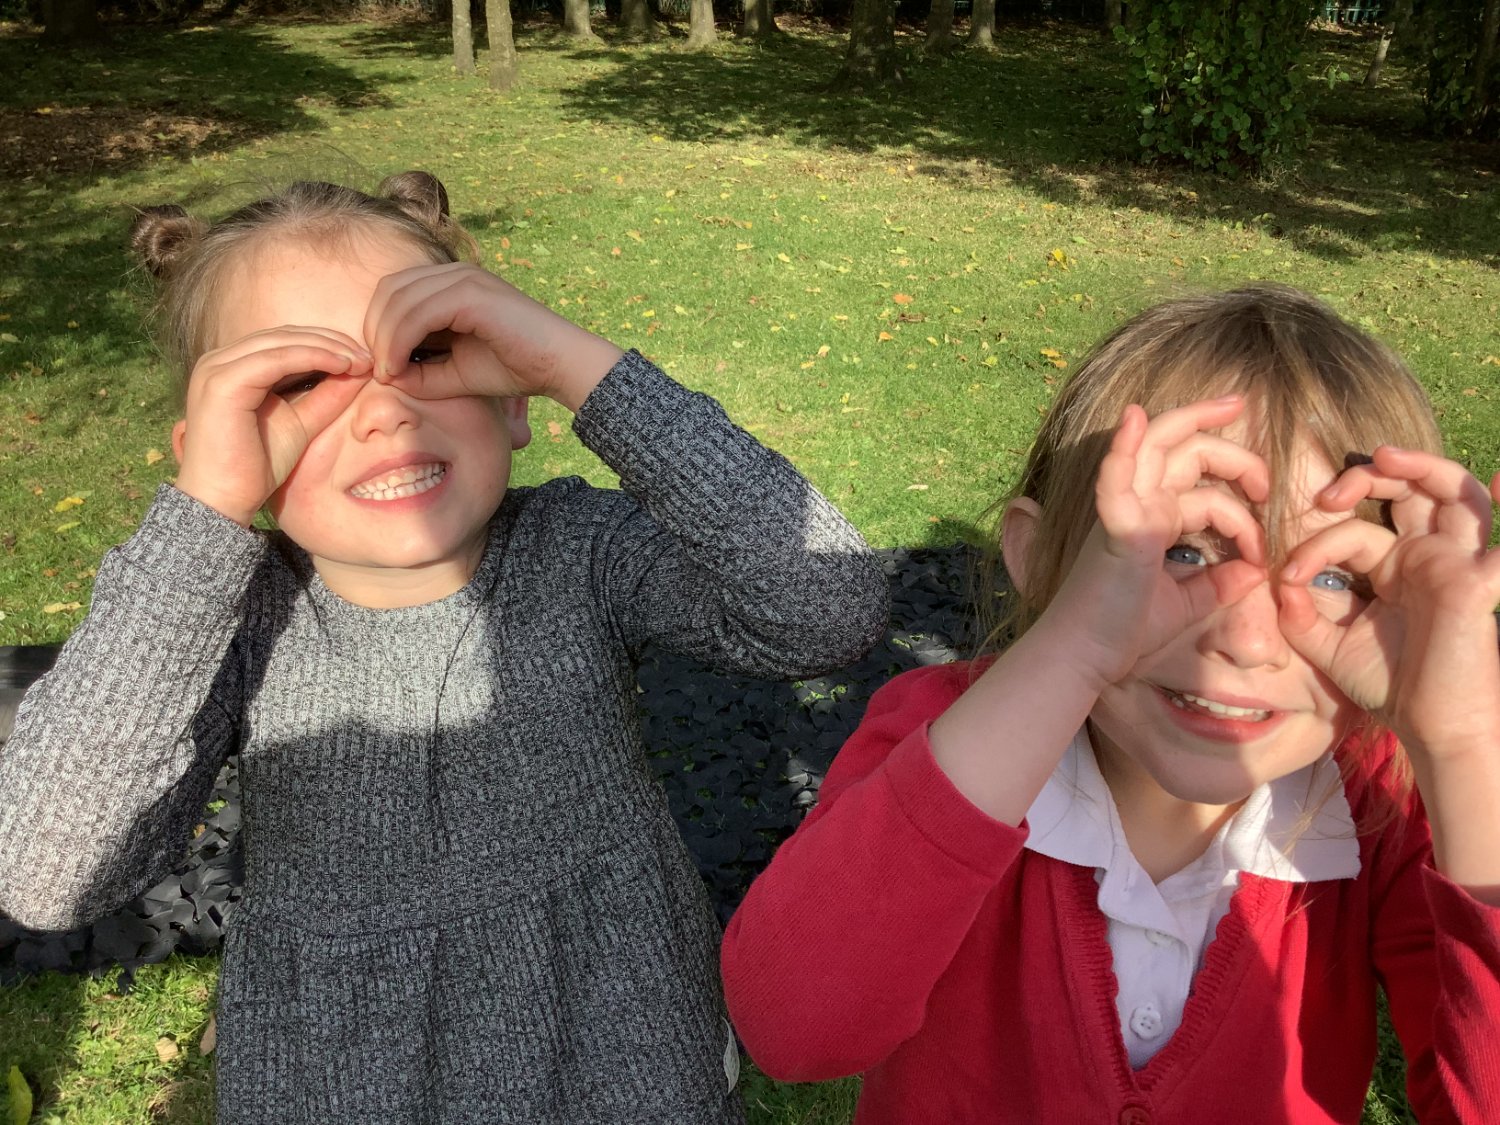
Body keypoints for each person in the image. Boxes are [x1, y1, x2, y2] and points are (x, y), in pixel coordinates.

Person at [0, 171, 888, 1125]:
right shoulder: (231, 625)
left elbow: (827, 606)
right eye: (299, 385)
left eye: (429, 352)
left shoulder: (578, 549)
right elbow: (48, 871)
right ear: (221, 451)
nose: (383, 411)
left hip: (630, 1061)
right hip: (340, 1086)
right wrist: (199, 522)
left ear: (515, 400)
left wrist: (585, 370)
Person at [721, 285, 1500, 1124]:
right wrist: (1072, 650)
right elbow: (794, 1028)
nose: (1247, 640)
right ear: (1039, 557)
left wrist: (1462, 741)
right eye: (1182, 550)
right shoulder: (947, 737)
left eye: (1334, 575)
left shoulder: (1381, 803)